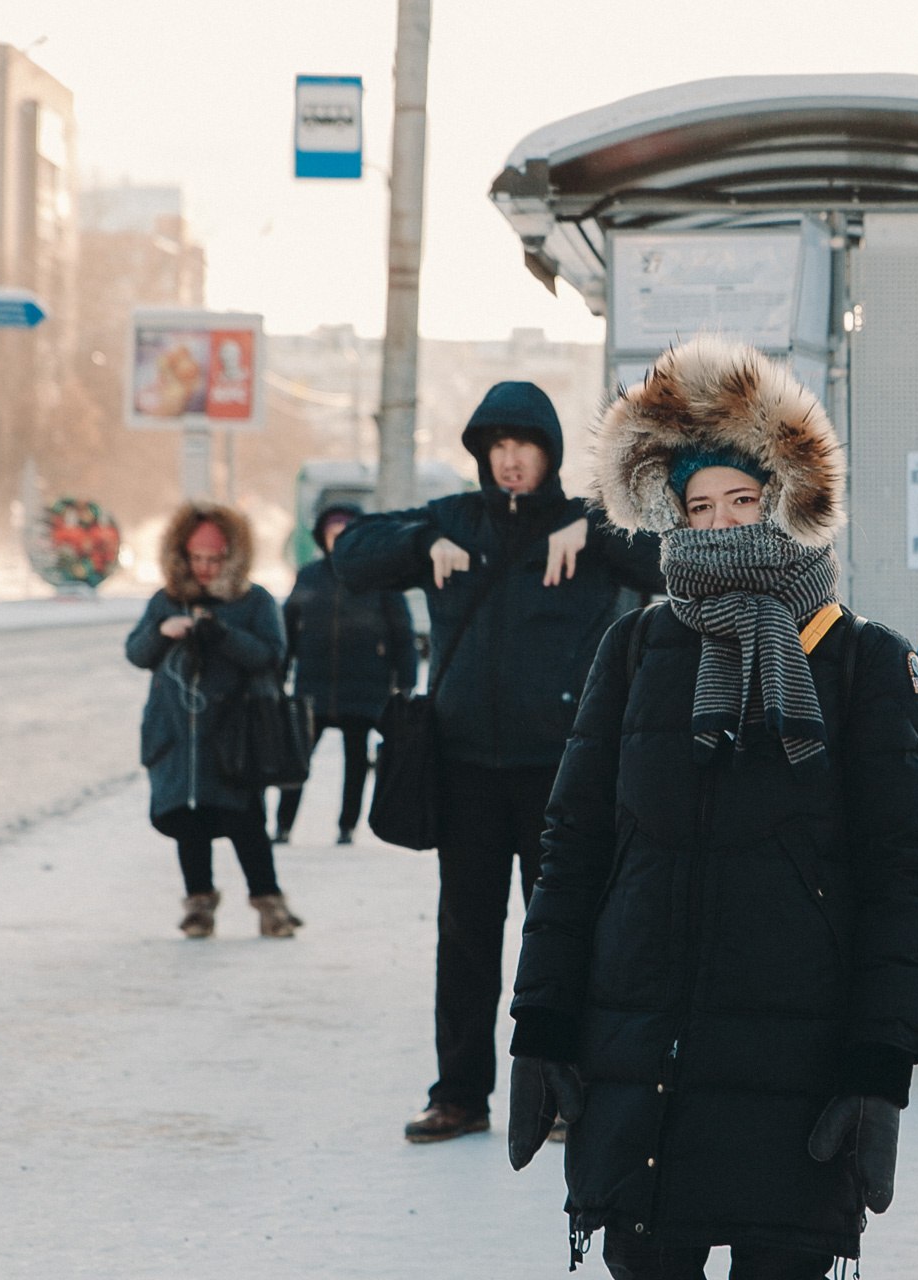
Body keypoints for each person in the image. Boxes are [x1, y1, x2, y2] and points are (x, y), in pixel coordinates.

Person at [505, 337, 918, 1280]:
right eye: (697, 508)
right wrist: (540, 1025)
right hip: (644, 1069)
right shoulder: (635, 651)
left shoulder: (865, 663)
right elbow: (574, 849)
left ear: (789, 502)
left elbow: (907, 877)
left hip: (798, 1080)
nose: (718, 527)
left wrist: (880, 1067)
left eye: (741, 501)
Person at [332, 381, 664, 1143]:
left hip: (562, 772)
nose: (511, 461)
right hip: (466, 769)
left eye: (526, 447)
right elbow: (350, 554)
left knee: (564, 935)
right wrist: (421, 545)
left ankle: (566, 1091)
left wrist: (595, 531)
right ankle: (459, 1095)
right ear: (482, 455)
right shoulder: (452, 520)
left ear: (550, 453)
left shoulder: (586, 522)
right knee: (466, 938)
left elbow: (667, 564)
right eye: (498, 448)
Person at [126, 502, 300, 939]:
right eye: (196, 558)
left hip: (236, 735)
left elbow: (272, 657)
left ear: (232, 557)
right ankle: (199, 905)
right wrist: (162, 631)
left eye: (214, 559)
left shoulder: (254, 601)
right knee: (189, 820)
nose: (204, 568)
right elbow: (136, 653)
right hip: (177, 736)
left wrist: (223, 635)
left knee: (246, 820)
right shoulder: (166, 600)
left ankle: (269, 904)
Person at [274, 502, 417, 845]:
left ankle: (347, 826)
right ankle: (282, 826)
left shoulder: (380, 578)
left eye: (345, 534)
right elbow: (286, 630)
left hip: (364, 686)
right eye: (332, 534)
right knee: (297, 759)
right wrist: (277, 673)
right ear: (321, 537)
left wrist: (405, 681)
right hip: (313, 686)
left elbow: (402, 634)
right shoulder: (308, 576)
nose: (337, 540)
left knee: (356, 762)